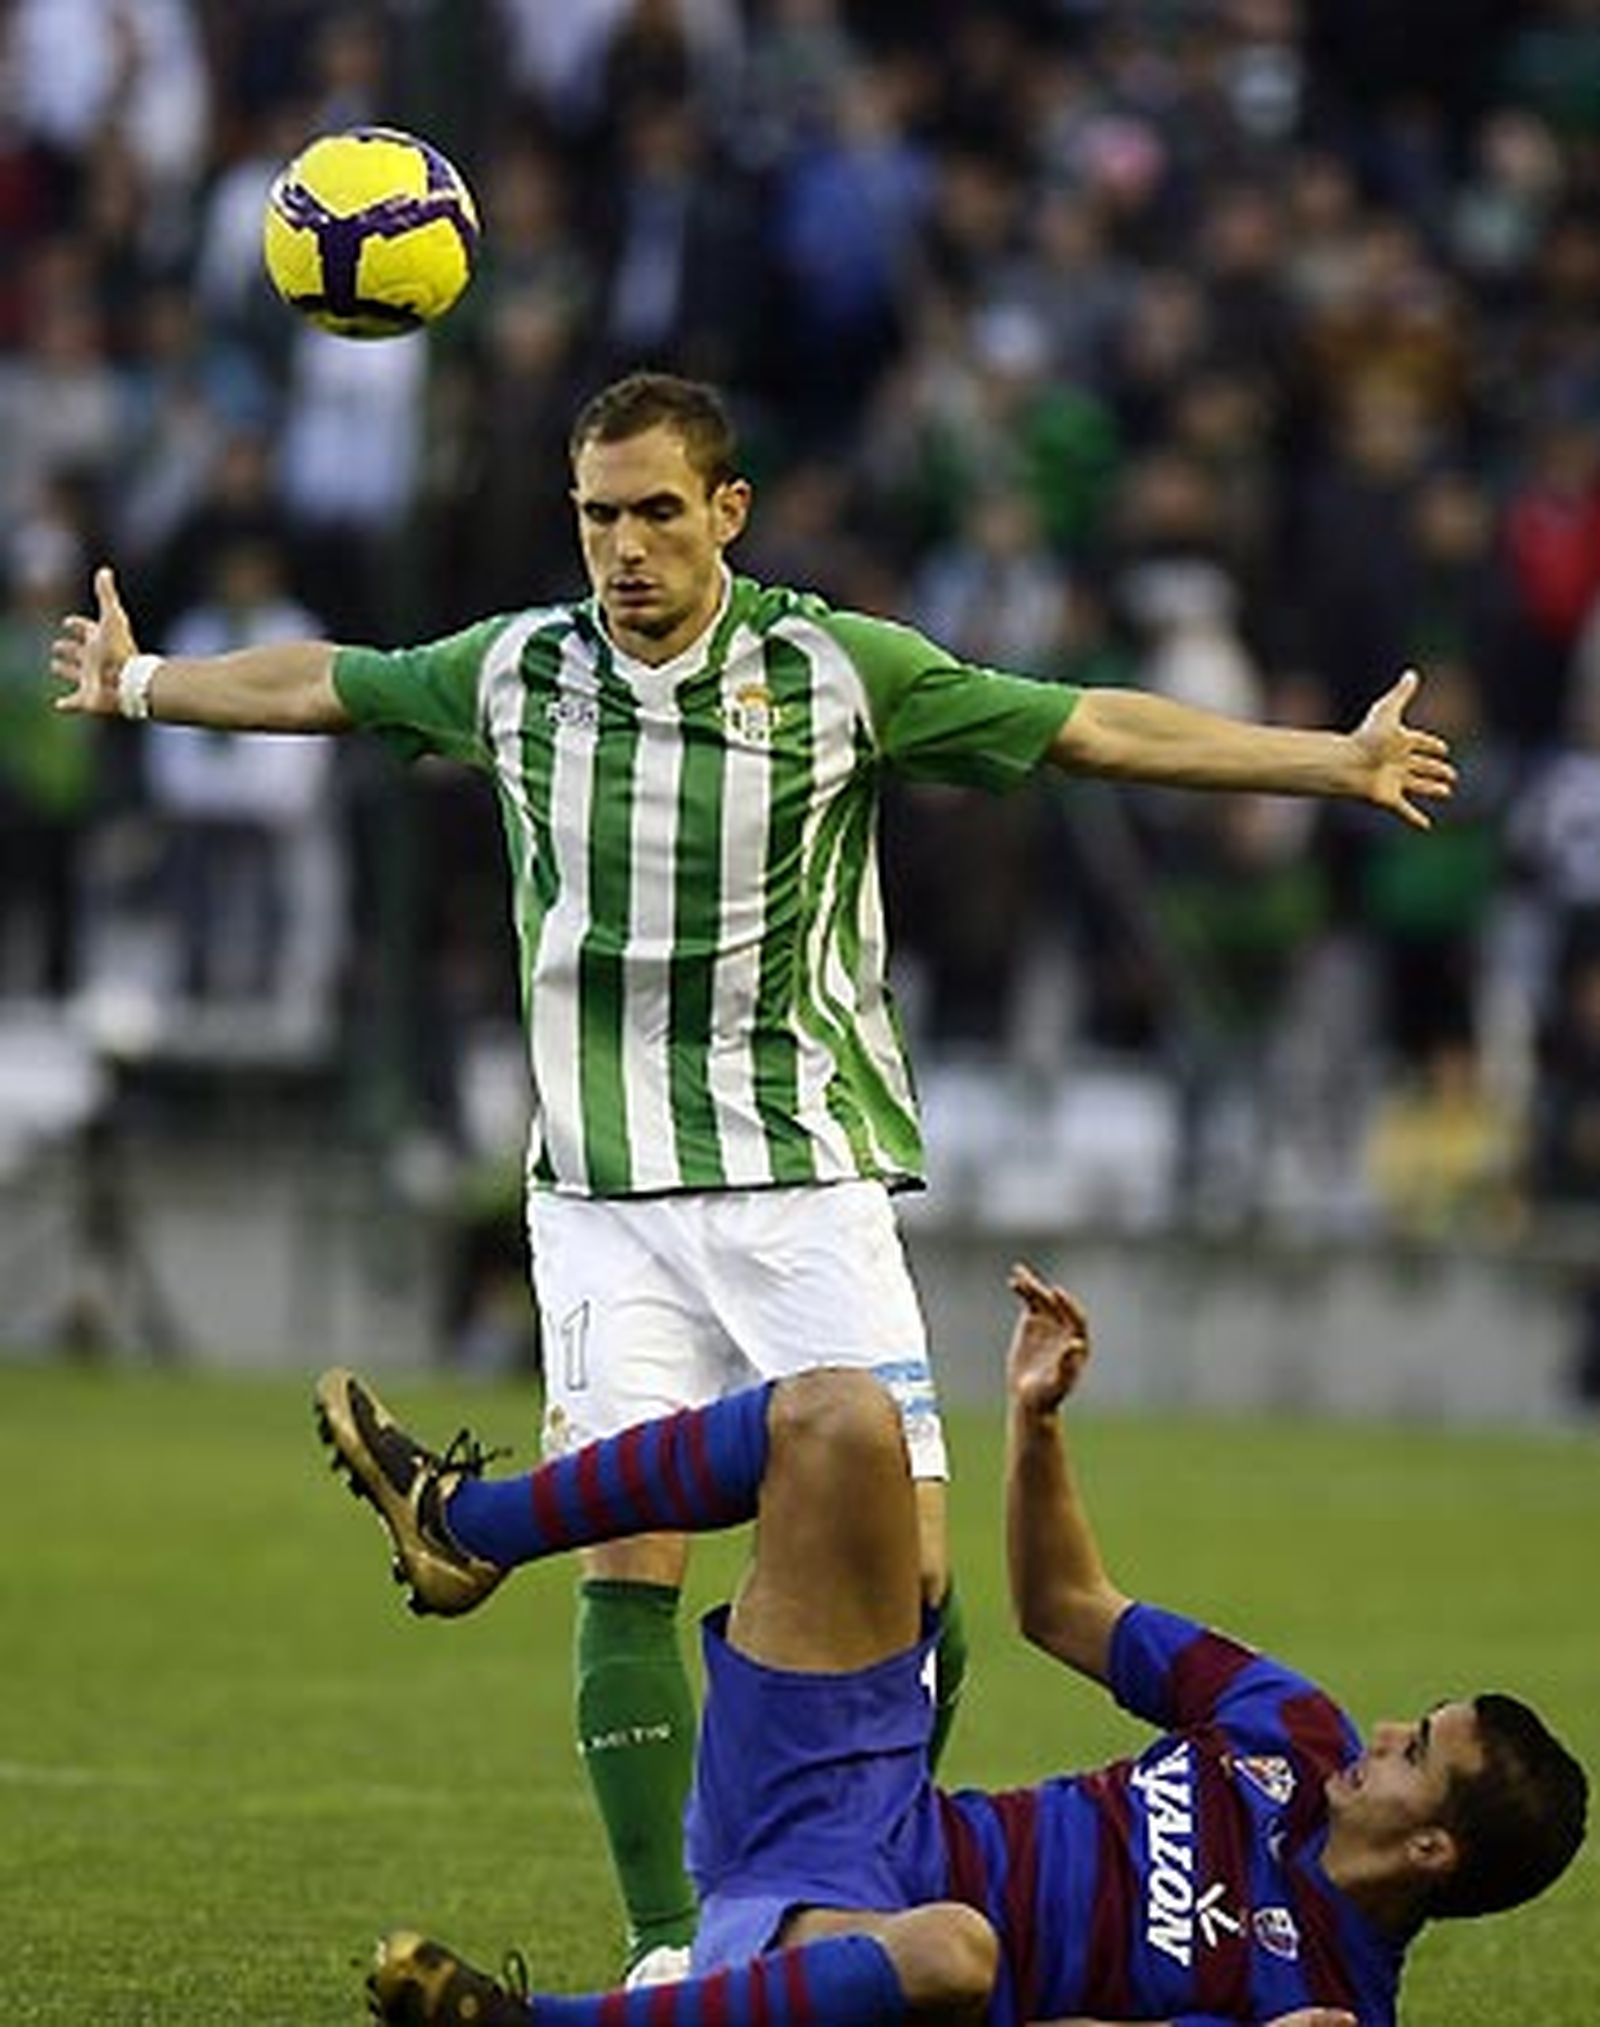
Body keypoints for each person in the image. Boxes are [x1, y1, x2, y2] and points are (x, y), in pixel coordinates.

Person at [49, 371, 1457, 1981]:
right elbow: (332, 681)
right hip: (601, 1190)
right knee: (631, 1563)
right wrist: (142, 679)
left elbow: (1087, 724)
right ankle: (673, 1951)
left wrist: (1327, 763)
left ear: (728, 509)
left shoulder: (838, 669)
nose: (625, 547)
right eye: (598, 514)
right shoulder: (516, 670)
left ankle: (822, 1848)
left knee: (913, 1576)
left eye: (658, 510)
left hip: (805, 1176)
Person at [312, 1263, 1587, 2027]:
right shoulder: (1290, 1726)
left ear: (1432, 1846)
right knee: (839, 1415)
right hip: (857, 1786)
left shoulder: (1318, 2001)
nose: (1382, 1730)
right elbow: (1064, 1605)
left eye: (1416, 1750)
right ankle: (465, 1528)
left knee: (954, 1948)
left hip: (860, 1946)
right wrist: (1038, 1422)